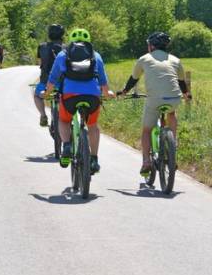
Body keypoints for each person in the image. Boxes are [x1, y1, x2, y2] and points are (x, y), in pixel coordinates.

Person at [119, 32, 191, 175]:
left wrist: (124, 91)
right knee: (171, 112)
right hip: (174, 99)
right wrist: (186, 95)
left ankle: (146, 161)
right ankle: (172, 148)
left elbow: (134, 79)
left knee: (146, 130)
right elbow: (181, 82)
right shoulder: (176, 60)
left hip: (154, 100)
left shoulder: (144, 59)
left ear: (151, 46)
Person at [43, 28, 112, 174]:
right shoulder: (96, 55)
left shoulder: (63, 54)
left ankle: (67, 145)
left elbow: (53, 77)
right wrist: (107, 93)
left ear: (71, 41)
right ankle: (94, 159)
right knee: (92, 126)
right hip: (92, 96)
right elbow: (103, 80)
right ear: (88, 40)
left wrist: (47, 92)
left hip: (70, 96)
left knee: (64, 121)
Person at [34, 24, 65, 127]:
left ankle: (43, 115)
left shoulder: (42, 46)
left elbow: (40, 63)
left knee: (37, 95)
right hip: (63, 84)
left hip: (45, 82)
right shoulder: (66, 48)